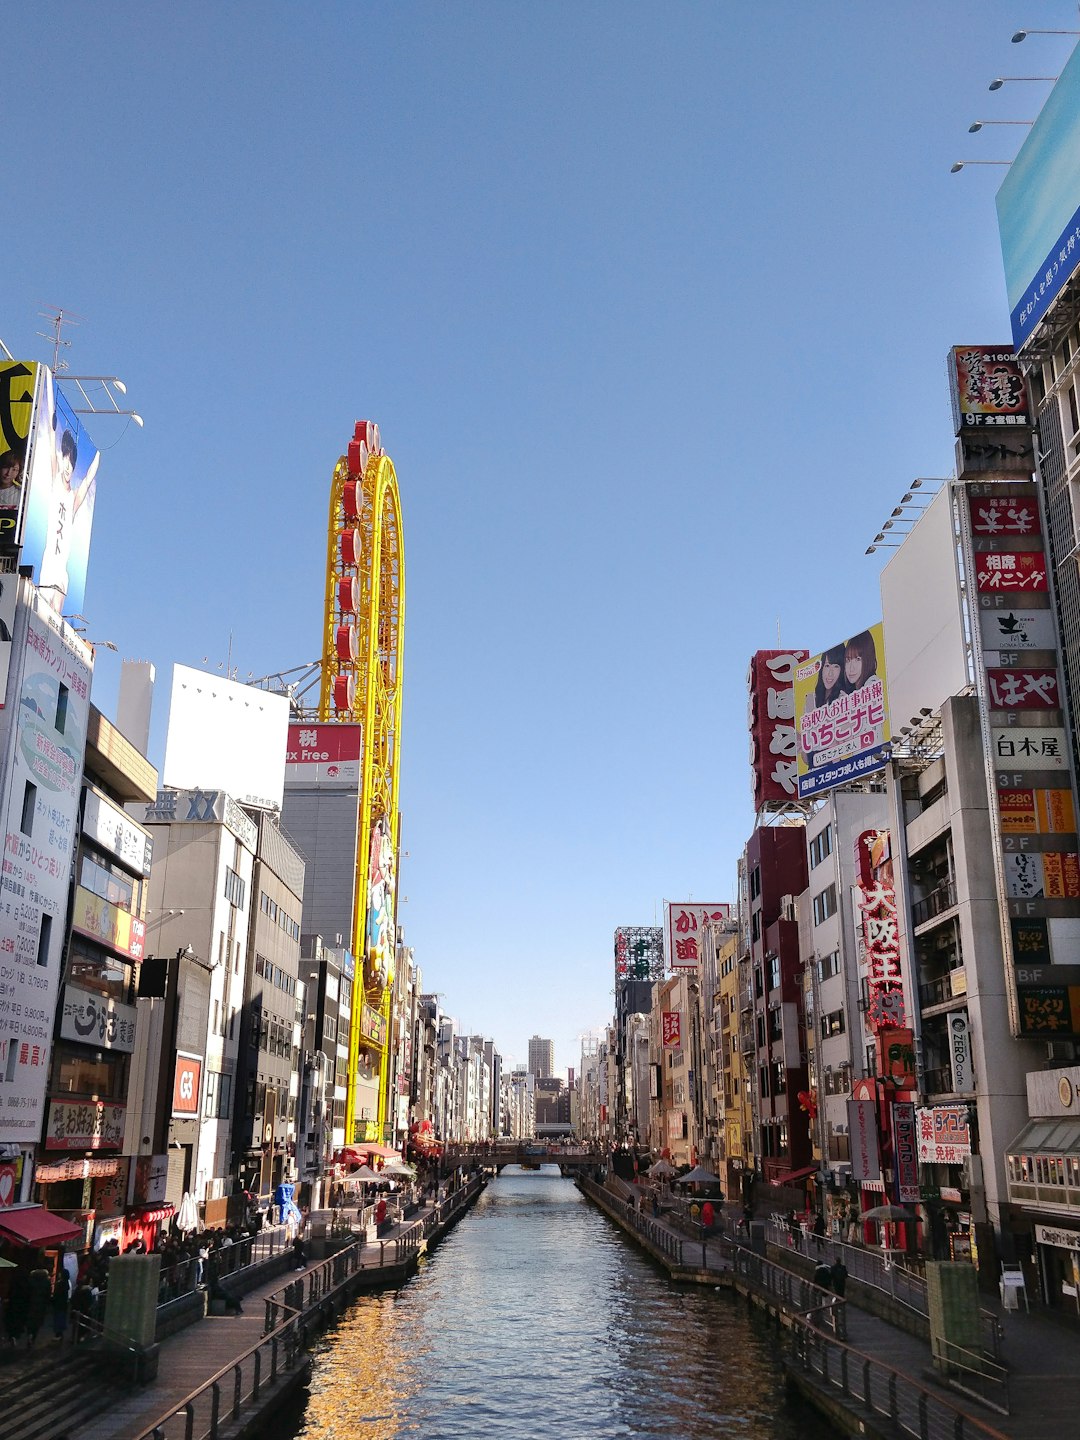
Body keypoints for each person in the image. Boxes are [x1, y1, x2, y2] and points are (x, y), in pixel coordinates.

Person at [51, 1266, 70, 1342]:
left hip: (58, 1304)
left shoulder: (60, 1284)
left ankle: (58, 1334)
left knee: (58, 1318)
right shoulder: (66, 1284)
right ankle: (60, 1333)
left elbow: (56, 1295)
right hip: (63, 1304)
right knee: (61, 1318)